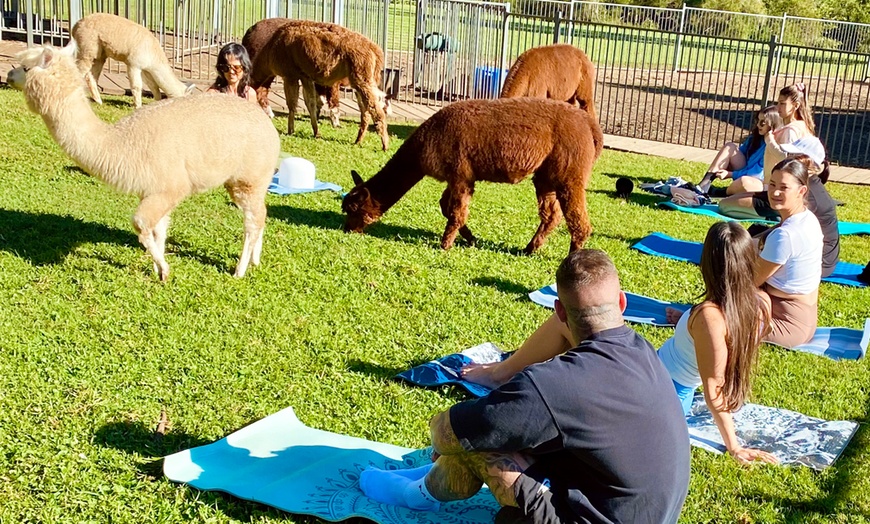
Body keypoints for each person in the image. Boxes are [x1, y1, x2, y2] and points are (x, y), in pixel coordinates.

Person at [360, 250, 690, 523]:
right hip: (647, 511)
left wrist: (453, 441)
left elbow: (447, 430)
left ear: (559, 311)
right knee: (493, 431)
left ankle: (416, 496)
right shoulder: (641, 349)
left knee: (477, 443)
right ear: (621, 303)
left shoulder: (554, 385)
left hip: (601, 513)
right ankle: (427, 478)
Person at [464, 223, 778, 466]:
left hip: (652, 386)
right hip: (654, 372)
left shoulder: (710, 317)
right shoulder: (758, 304)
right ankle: (505, 371)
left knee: (565, 321)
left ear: (707, 264)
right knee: (583, 330)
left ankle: (500, 374)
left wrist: (734, 446)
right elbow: (721, 350)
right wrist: (684, 317)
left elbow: (714, 388)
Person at [718, 83, 816, 218]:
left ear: (796, 105)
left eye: (782, 103)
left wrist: (770, 142)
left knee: (724, 206)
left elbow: (788, 162)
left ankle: (774, 214)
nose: (778, 107)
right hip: (773, 189)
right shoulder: (797, 127)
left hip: (777, 195)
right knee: (727, 203)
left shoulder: (791, 131)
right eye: (778, 103)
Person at [755, 158, 823, 348]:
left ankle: (694, 319)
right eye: (772, 184)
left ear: (802, 191)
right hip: (805, 319)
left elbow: (751, 281)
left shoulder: (785, 235)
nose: (775, 192)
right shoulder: (808, 218)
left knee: (731, 283)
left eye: (784, 187)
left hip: (785, 324)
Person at [698, 105, 782, 197]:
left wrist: (731, 174)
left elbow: (755, 173)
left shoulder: (772, 145)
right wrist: (727, 162)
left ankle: (719, 192)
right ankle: (704, 184)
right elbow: (740, 153)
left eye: (762, 123)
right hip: (746, 171)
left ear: (772, 124)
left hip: (758, 181)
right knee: (730, 147)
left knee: (745, 183)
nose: (758, 125)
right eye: (757, 121)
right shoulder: (756, 137)